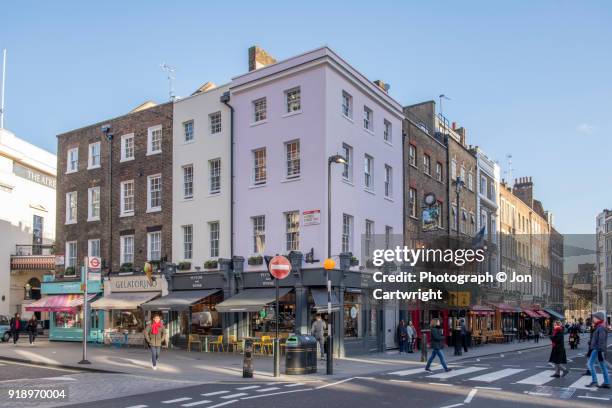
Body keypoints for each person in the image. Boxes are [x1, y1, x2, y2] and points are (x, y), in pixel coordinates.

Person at [585, 312, 610, 389]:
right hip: (597, 349)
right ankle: (606, 382)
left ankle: (596, 381)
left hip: (598, 349)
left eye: (594, 318)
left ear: (598, 318)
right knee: (601, 365)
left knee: (591, 364)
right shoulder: (599, 326)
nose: (593, 319)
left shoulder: (601, 327)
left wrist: (600, 351)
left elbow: (601, 340)